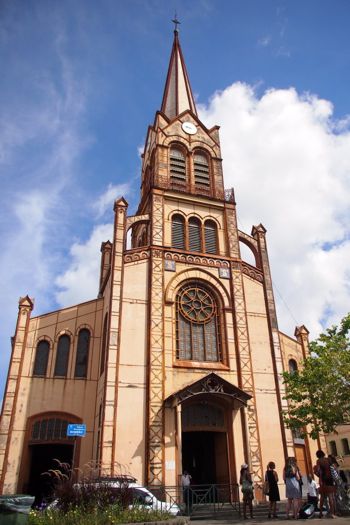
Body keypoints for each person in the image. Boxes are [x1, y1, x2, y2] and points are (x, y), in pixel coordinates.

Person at [313, 449, 336, 518]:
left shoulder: (319, 461)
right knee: (331, 496)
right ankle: (332, 513)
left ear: (317, 455)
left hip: (323, 480)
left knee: (322, 497)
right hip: (330, 479)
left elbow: (319, 471)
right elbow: (334, 468)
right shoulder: (329, 460)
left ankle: (320, 513)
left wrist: (316, 472)